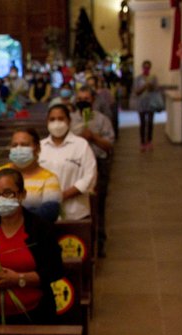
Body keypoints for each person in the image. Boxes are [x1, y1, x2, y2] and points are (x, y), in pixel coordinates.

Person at [0, 167, 65, 324]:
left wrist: (18, 279)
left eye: (8, 193)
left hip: (35, 314)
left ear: (22, 194)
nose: (1, 198)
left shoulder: (40, 227)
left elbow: (55, 269)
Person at [72, 86, 115, 253]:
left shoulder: (102, 120)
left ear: (93, 100)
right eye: (80, 98)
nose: (83, 102)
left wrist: (93, 137)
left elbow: (109, 145)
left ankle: (100, 240)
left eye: (86, 99)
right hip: (76, 167)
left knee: (98, 204)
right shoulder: (70, 119)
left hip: (98, 164)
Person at [39, 104, 96, 221]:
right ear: (47, 122)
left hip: (76, 212)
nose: (56, 123)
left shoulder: (81, 145)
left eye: (61, 118)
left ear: (69, 121)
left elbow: (90, 177)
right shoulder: (40, 147)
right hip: (44, 213)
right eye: (52, 119)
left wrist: (63, 195)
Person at [7, 129, 62, 223]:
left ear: (37, 148)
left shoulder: (50, 179)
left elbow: (49, 213)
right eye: (14, 145)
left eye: (24, 145)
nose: (18, 149)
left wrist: (10, 219)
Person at [132, 60, 160, 151]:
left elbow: (156, 89)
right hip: (141, 104)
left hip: (151, 103)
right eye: (145, 67)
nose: (146, 69)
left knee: (150, 123)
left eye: (148, 67)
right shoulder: (138, 78)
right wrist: (144, 86)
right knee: (142, 123)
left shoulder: (153, 78)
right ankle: (142, 142)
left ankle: (149, 141)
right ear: (142, 68)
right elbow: (136, 92)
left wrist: (150, 86)